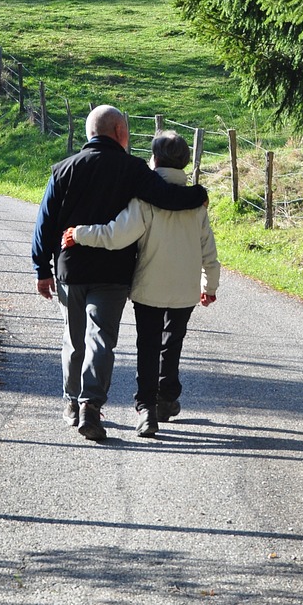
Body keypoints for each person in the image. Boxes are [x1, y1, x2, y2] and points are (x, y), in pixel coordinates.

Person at [31, 106, 208, 442]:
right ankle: (91, 405)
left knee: (73, 338)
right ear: (119, 132)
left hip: (70, 268)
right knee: (101, 339)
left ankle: (72, 403)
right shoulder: (133, 169)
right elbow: (166, 197)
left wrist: (42, 268)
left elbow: (45, 223)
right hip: (113, 273)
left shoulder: (63, 169)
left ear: (90, 133)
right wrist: (199, 194)